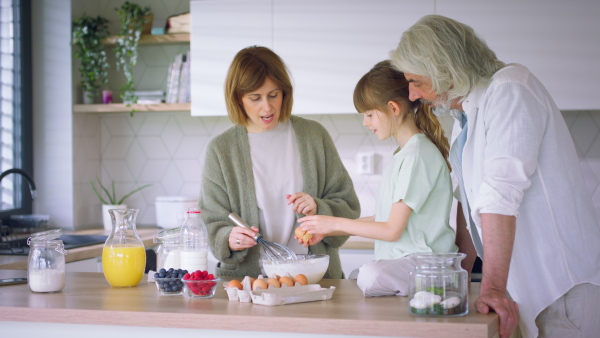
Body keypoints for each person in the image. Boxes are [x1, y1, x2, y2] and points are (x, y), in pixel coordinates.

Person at [391, 14, 600, 338]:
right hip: (527, 288)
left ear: (446, 70)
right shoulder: (467, 113)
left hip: (563, 288)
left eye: (416, 81)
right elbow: (470, 200)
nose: (413, 94)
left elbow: (500, 193)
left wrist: (492, 287)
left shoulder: (510, 88)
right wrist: (459, 272)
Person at [297, 60, 457, 297]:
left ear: (393, 108)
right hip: (410, 262)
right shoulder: (404, 154)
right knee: (360, 276)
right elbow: (386, 218)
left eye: (370, 114)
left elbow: (392, 230)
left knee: (369, 276)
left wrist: (334, 224)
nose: (365, 122)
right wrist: (332, 230)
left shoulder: (417, 155)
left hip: (426, 265)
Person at [200, 45, 360, 279]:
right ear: (238, 99)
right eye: (255, 98)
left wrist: (318, 208)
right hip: (250, 282)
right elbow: (212, 221)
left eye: (273, 95)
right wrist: (229, 238)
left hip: (314, 277)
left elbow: (348, 207)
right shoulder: (221, 150)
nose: (267, 107)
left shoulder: (313, 136)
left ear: (285, 92)